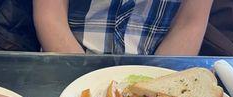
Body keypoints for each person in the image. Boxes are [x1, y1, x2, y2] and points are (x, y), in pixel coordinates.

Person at [33, 0, 214, 55]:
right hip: (68, 61)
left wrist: (157, 87)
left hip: (155, 68)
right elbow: (50, 15)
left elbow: (189, 23)